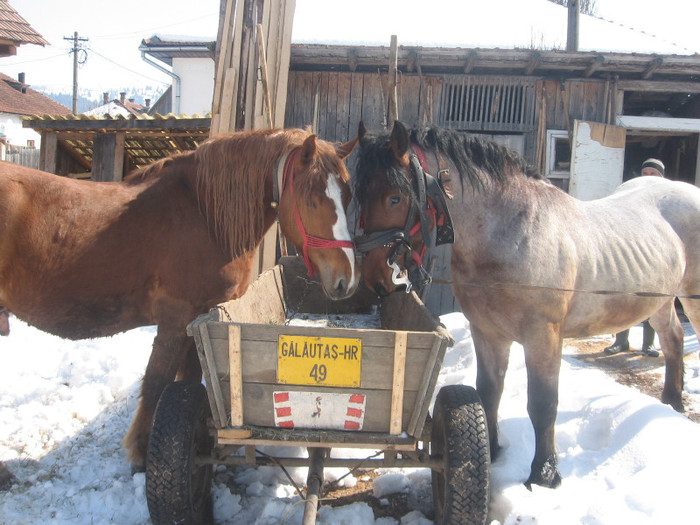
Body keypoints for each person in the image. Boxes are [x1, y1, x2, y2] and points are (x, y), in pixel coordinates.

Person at [604, 158, 664, 357]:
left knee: (654, 300)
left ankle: (649, 344)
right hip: (633, 254)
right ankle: (621, 341)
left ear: (661, 177)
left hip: (658, 256)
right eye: (645, 173)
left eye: (653, 174)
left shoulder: (668, 198)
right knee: (625, 298)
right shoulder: (629, 195)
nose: (648, 177)